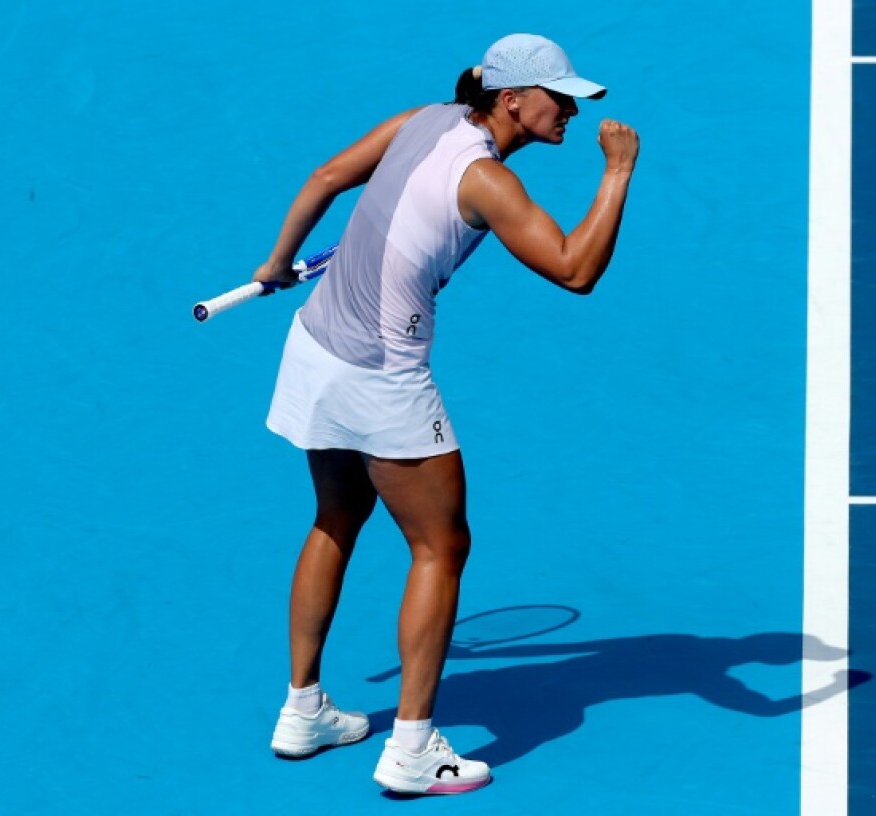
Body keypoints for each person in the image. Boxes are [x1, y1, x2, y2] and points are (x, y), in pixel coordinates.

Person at [254, 33, 639, 795]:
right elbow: (575, 269)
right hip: (382, 377)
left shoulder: (424, 117)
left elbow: (329, 175)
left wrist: (276, 261)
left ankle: (303, 712)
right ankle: (412, 748)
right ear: (510, 100)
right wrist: (618, 172)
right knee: (440, 545)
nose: (567, 109)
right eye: (556, 97)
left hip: (313, 347)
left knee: (336, 516)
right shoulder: (487, 180)